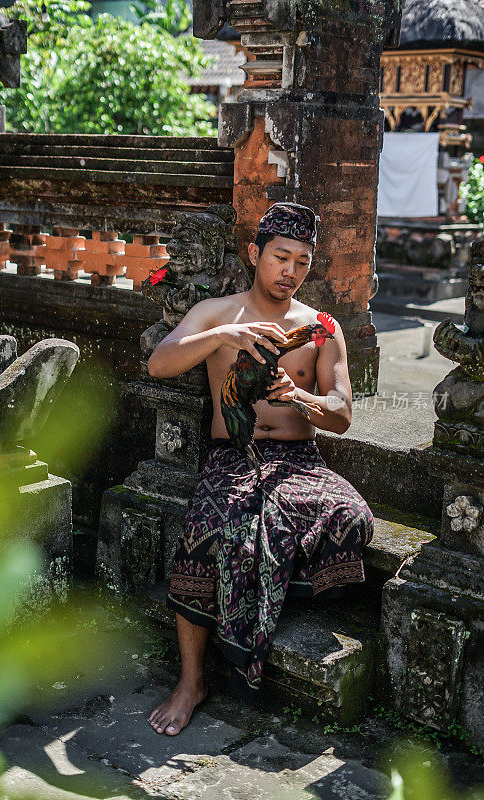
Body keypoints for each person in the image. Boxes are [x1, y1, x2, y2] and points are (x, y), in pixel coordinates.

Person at [146, 203, 375, 736]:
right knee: (211, 525)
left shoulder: (320, 329)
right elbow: (159, 361)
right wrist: (224, 338)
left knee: (352, 516)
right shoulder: (217, 312)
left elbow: (341, 414)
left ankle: (278, 593)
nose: (289, 271)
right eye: (279, 257)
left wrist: (298, 396)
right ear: (256, 254)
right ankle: (191, 681)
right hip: (234, 455)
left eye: (301, 261)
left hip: (299, 462)